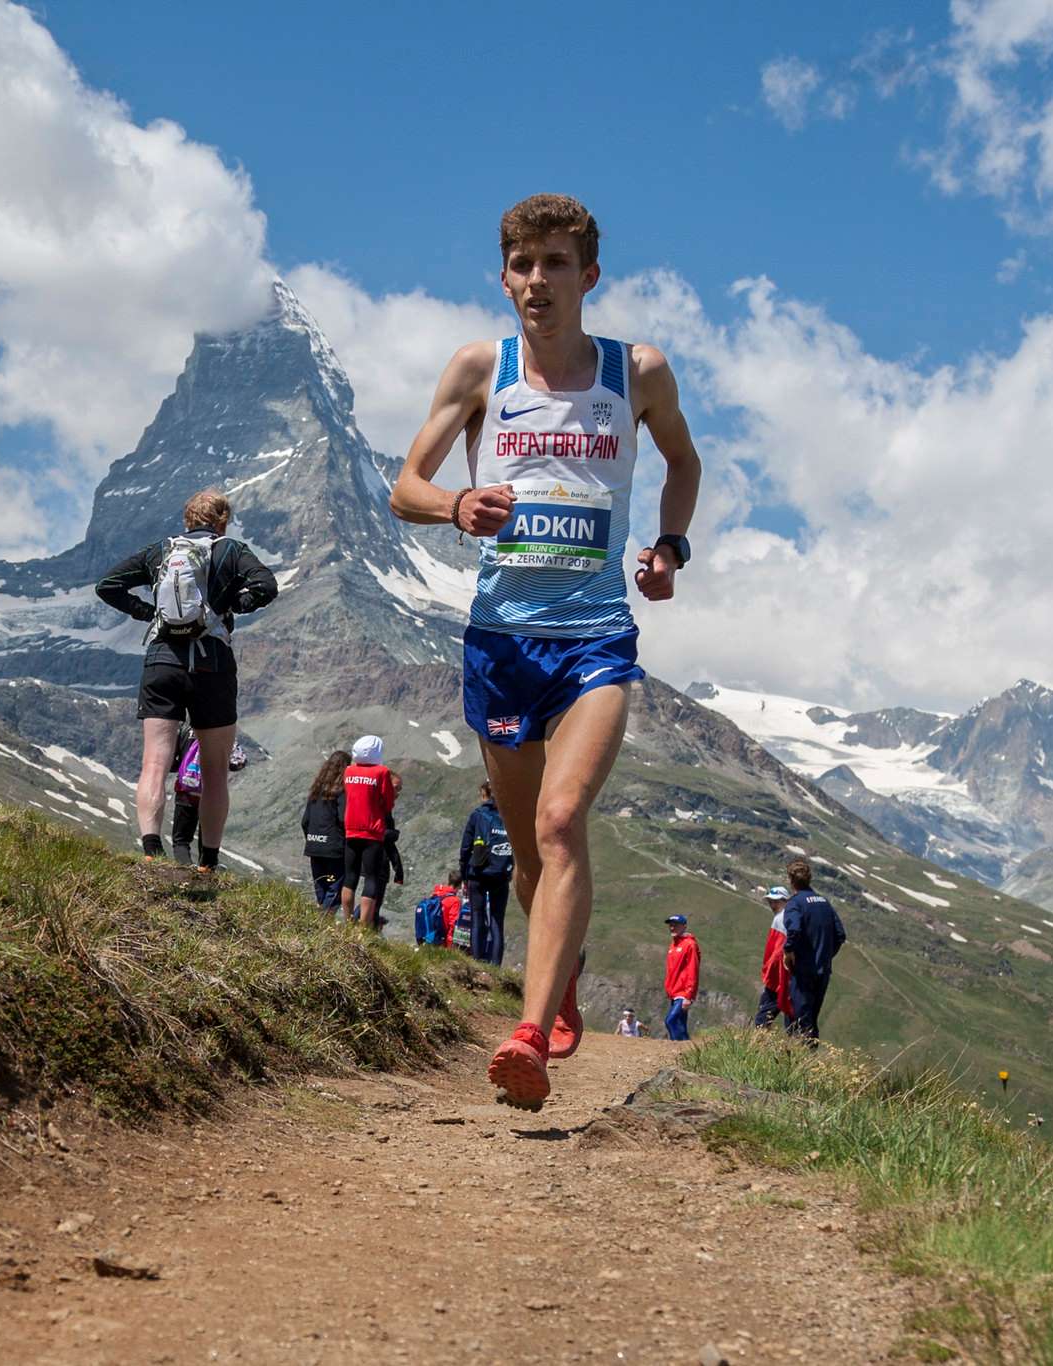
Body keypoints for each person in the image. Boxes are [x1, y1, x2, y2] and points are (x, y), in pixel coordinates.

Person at [389, 194, 703, 1110]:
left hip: (597, 635)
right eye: (522, 267)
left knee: (563, 822)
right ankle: (559, 979)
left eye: (556, 265)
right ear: (504, 278)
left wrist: (670, 547)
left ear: (588, 276)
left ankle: (526, 1035)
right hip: (501, 640)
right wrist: (454, 505)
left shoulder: (635, 372)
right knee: (528, 846)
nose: (538, 282)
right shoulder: (481, 368)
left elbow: (683, 463)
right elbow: (405, 482)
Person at [96, 489, 278, 871]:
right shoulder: (231, 550)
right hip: (212, 663)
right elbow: (266, 586)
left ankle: (151, 852)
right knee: (214, 771)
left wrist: (149, 613)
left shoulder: (160, 551)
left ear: (187, 519)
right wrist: (230, 607)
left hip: (163, 659)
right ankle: (207, 862)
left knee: (155, 763)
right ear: (222, 520)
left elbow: (108, 585)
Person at [782, 860, 846, 1043]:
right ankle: (809, 1059)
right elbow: (840, 935)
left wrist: (789, 952)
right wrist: (825, 955)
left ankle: (798, 1061)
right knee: (812, 1018)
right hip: (823, 970)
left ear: (791, 880)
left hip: (803, 971)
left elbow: (794, 929)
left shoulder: (795, 904)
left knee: (799, 1018)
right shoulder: (824, 903)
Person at [340, 735, 396, 929]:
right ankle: (363, 927)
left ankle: (347, 922)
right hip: (372, 831)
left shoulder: (348, 771)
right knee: (371, 877)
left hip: (351, 829)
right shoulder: (382, 772)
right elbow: (388, 802)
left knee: (350, 876)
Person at [172, 726, 247, 867]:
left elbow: (170, 762)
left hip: (186, 789)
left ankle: (183, 867)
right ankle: (206, 868)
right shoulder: (221, 727)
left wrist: (184, 763)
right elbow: (238, 761)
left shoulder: (183, 729)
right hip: (212, 792)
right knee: (208, 835)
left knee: (181, 839)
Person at [457, 780, 514, 965]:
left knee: (477, 917)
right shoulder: (510, 816)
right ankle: (496, 965)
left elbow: (466, 847)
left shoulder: (478, 815)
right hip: (501, 874)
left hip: (478, 873)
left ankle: (476, 962)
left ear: (485, 794)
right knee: (497, 921)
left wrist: (464, 873)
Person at [301, 751, 352, 910]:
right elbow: (344, 819)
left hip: (314, 846)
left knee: (321, 887)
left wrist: (312, 838)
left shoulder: (315, 790)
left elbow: (305, 821)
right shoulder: (341, 790)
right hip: (333, 848)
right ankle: (322, 924)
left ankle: (320, 922)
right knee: (334, 888)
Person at [754, 886, 794, 1029]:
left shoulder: (782, 918)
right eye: (770, 901)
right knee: (789, 1013)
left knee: (764, 1015)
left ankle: (759, 1043)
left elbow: (778, 951)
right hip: (783, 975)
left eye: (775, 901)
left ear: (785, 901)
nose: (772, 905)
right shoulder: (785, 916)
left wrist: (770, 970)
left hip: (779, 976)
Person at [663, 915, 701, 1041]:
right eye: (670, 925)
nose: (672, 927)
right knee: (681, 1025)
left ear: (684, 926)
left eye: (676, 925)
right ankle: (688, 1052)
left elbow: (693, 970)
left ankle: (678, 1050)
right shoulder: (673, 946)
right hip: (674, 992)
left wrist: (688, 995)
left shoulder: (690, 945)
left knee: (670, 1021)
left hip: (683, 993)